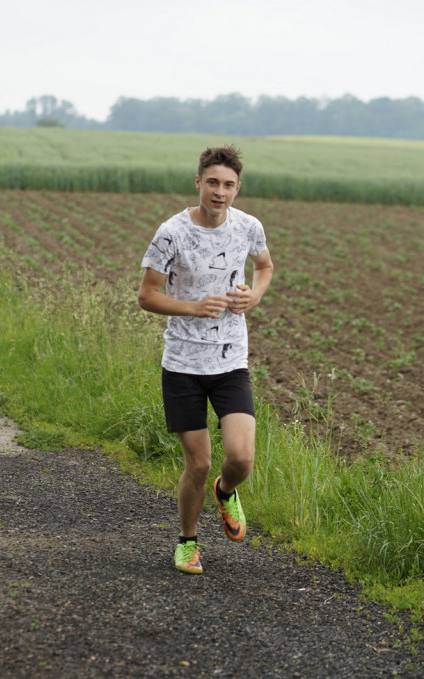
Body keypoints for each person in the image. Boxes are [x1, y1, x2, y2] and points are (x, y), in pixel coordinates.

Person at [137, 145, 274, 575]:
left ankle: (226, 490)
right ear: (198, 183)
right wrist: (193, 307)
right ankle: (187, 543)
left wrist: (255, 294)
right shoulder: (171, 233)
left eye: (229, 185)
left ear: (238, 188)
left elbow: (265, 266)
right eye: (212, 182)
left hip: (231, 359)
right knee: (197, 463)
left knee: (241, 458)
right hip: (182, 364)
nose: (220, 192)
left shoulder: (249, 226)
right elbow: (147, 296)